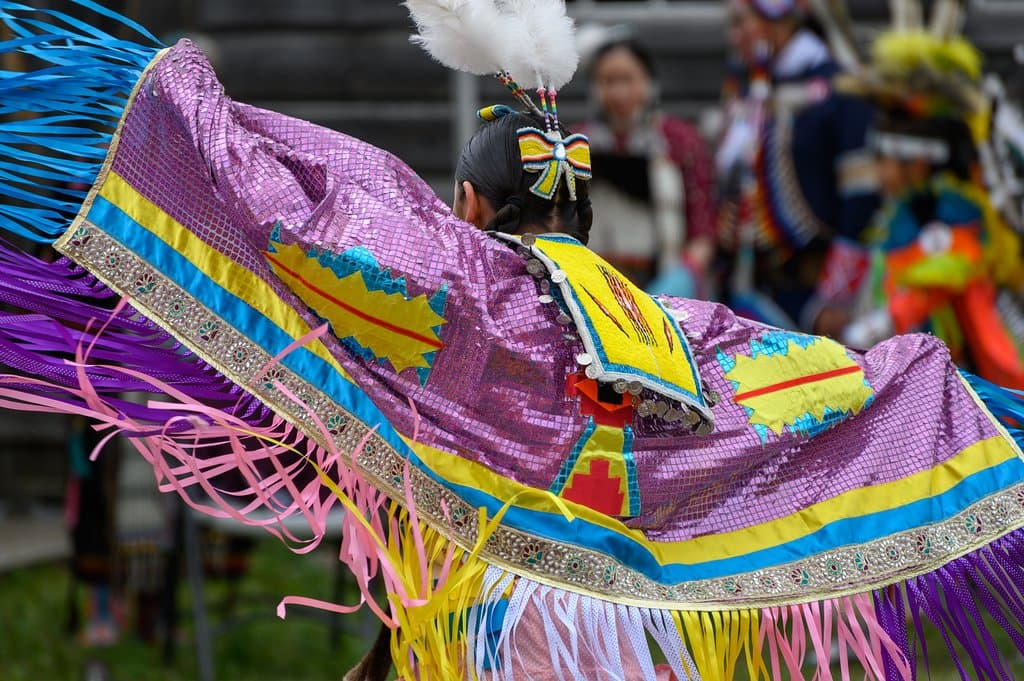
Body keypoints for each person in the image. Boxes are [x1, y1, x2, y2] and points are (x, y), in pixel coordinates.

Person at [4, 2, 1024, 679]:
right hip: (663, 631)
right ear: (578, 213)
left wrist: (166, 98)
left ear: (469, 201)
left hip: (520, 625)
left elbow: (301, 223)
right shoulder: (693, 328)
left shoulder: (460, 283)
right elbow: (841, 384)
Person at [835, 0, 1024, 389]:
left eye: (885, 159)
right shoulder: (900, 212)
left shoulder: (954, 208)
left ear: (916, 162)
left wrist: (879, 325)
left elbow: (947, 271)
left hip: (972, 367)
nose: (879, 171)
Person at [715, 0, 880, 334]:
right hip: (748, 289)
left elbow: (862, 199)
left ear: (778, 21)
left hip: (814, 297)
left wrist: (836, 299)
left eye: (740, 22)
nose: (734, 37)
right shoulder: (750, 89)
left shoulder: (839, 89)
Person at [576, 31, 716, 297]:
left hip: (667, 291)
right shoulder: (576, 144)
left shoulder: (680, 141)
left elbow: (704, 231)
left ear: (649, 82)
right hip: (595, 290)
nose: (619, 93)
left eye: (628, 79)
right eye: (608, 81)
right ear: (594, 88)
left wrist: (683, 277)